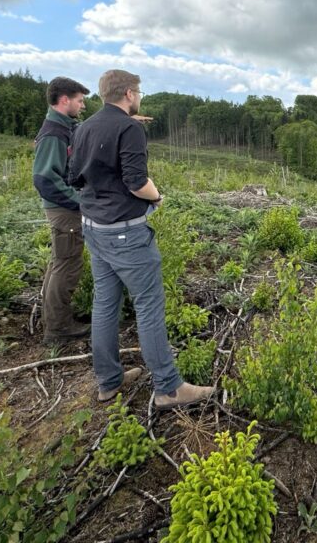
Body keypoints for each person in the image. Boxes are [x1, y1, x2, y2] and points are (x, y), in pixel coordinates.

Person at [68, 69, 214, 408]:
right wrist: (156, 196)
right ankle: (168, 387)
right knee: (148, 306)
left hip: (93, 226)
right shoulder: (130, 128)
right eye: (139, 92)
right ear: (129, 94)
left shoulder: (85, 127)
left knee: (105, 303)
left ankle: (108, 382)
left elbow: (74, 176)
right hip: (125, 232)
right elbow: (136, 181)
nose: (140, 97)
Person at [33, 76, 91, 344]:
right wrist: (79, 202)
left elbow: (83, 129)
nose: (82, 106)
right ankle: (58, 329)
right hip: (64, 210)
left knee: (60, 262)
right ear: (64, 100)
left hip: (63, 207)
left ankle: (54, 320)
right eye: (79, 101)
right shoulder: (54, 134)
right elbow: (45, 178)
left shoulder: (63, 127)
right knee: (68, 264)